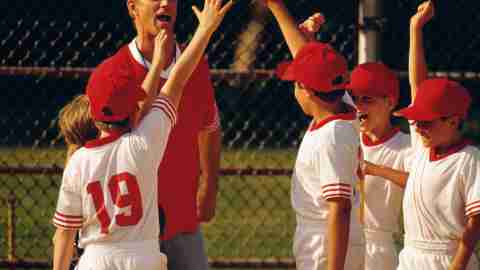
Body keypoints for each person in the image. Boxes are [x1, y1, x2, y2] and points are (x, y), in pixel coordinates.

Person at [51, 1, 232, 270]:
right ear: (132, 7)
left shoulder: (79, 165)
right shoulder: (141, 143)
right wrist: (205, 30)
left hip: (128, 241)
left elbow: (63, 233)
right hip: (142, 248)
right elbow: (175, 83)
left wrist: (209, 186)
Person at [264, 1, 365, 270]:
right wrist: (276, 7)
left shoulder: (330, 137)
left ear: (305, 90)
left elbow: (339, 209)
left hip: (326, 245)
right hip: (324, 238)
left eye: (296, 83)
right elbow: (307, 60)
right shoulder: (345, 109)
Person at [124, 1, 222, 268]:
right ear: (133, 8)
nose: (166, 2)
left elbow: (209, 126)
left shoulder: (197, 66)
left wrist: (210, 185)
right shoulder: (117, 71)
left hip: (182, 220)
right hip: (132, 230)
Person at [393, 1, 480, 269]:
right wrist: (415, 28)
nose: (418, 127)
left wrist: (457, 266)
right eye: (416, 121)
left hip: (448, 258)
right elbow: (417, 84)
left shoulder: (469, 159)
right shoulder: (423, 144)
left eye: (426, 122)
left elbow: (475, 222)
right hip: (411, 255)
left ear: (453, 120)